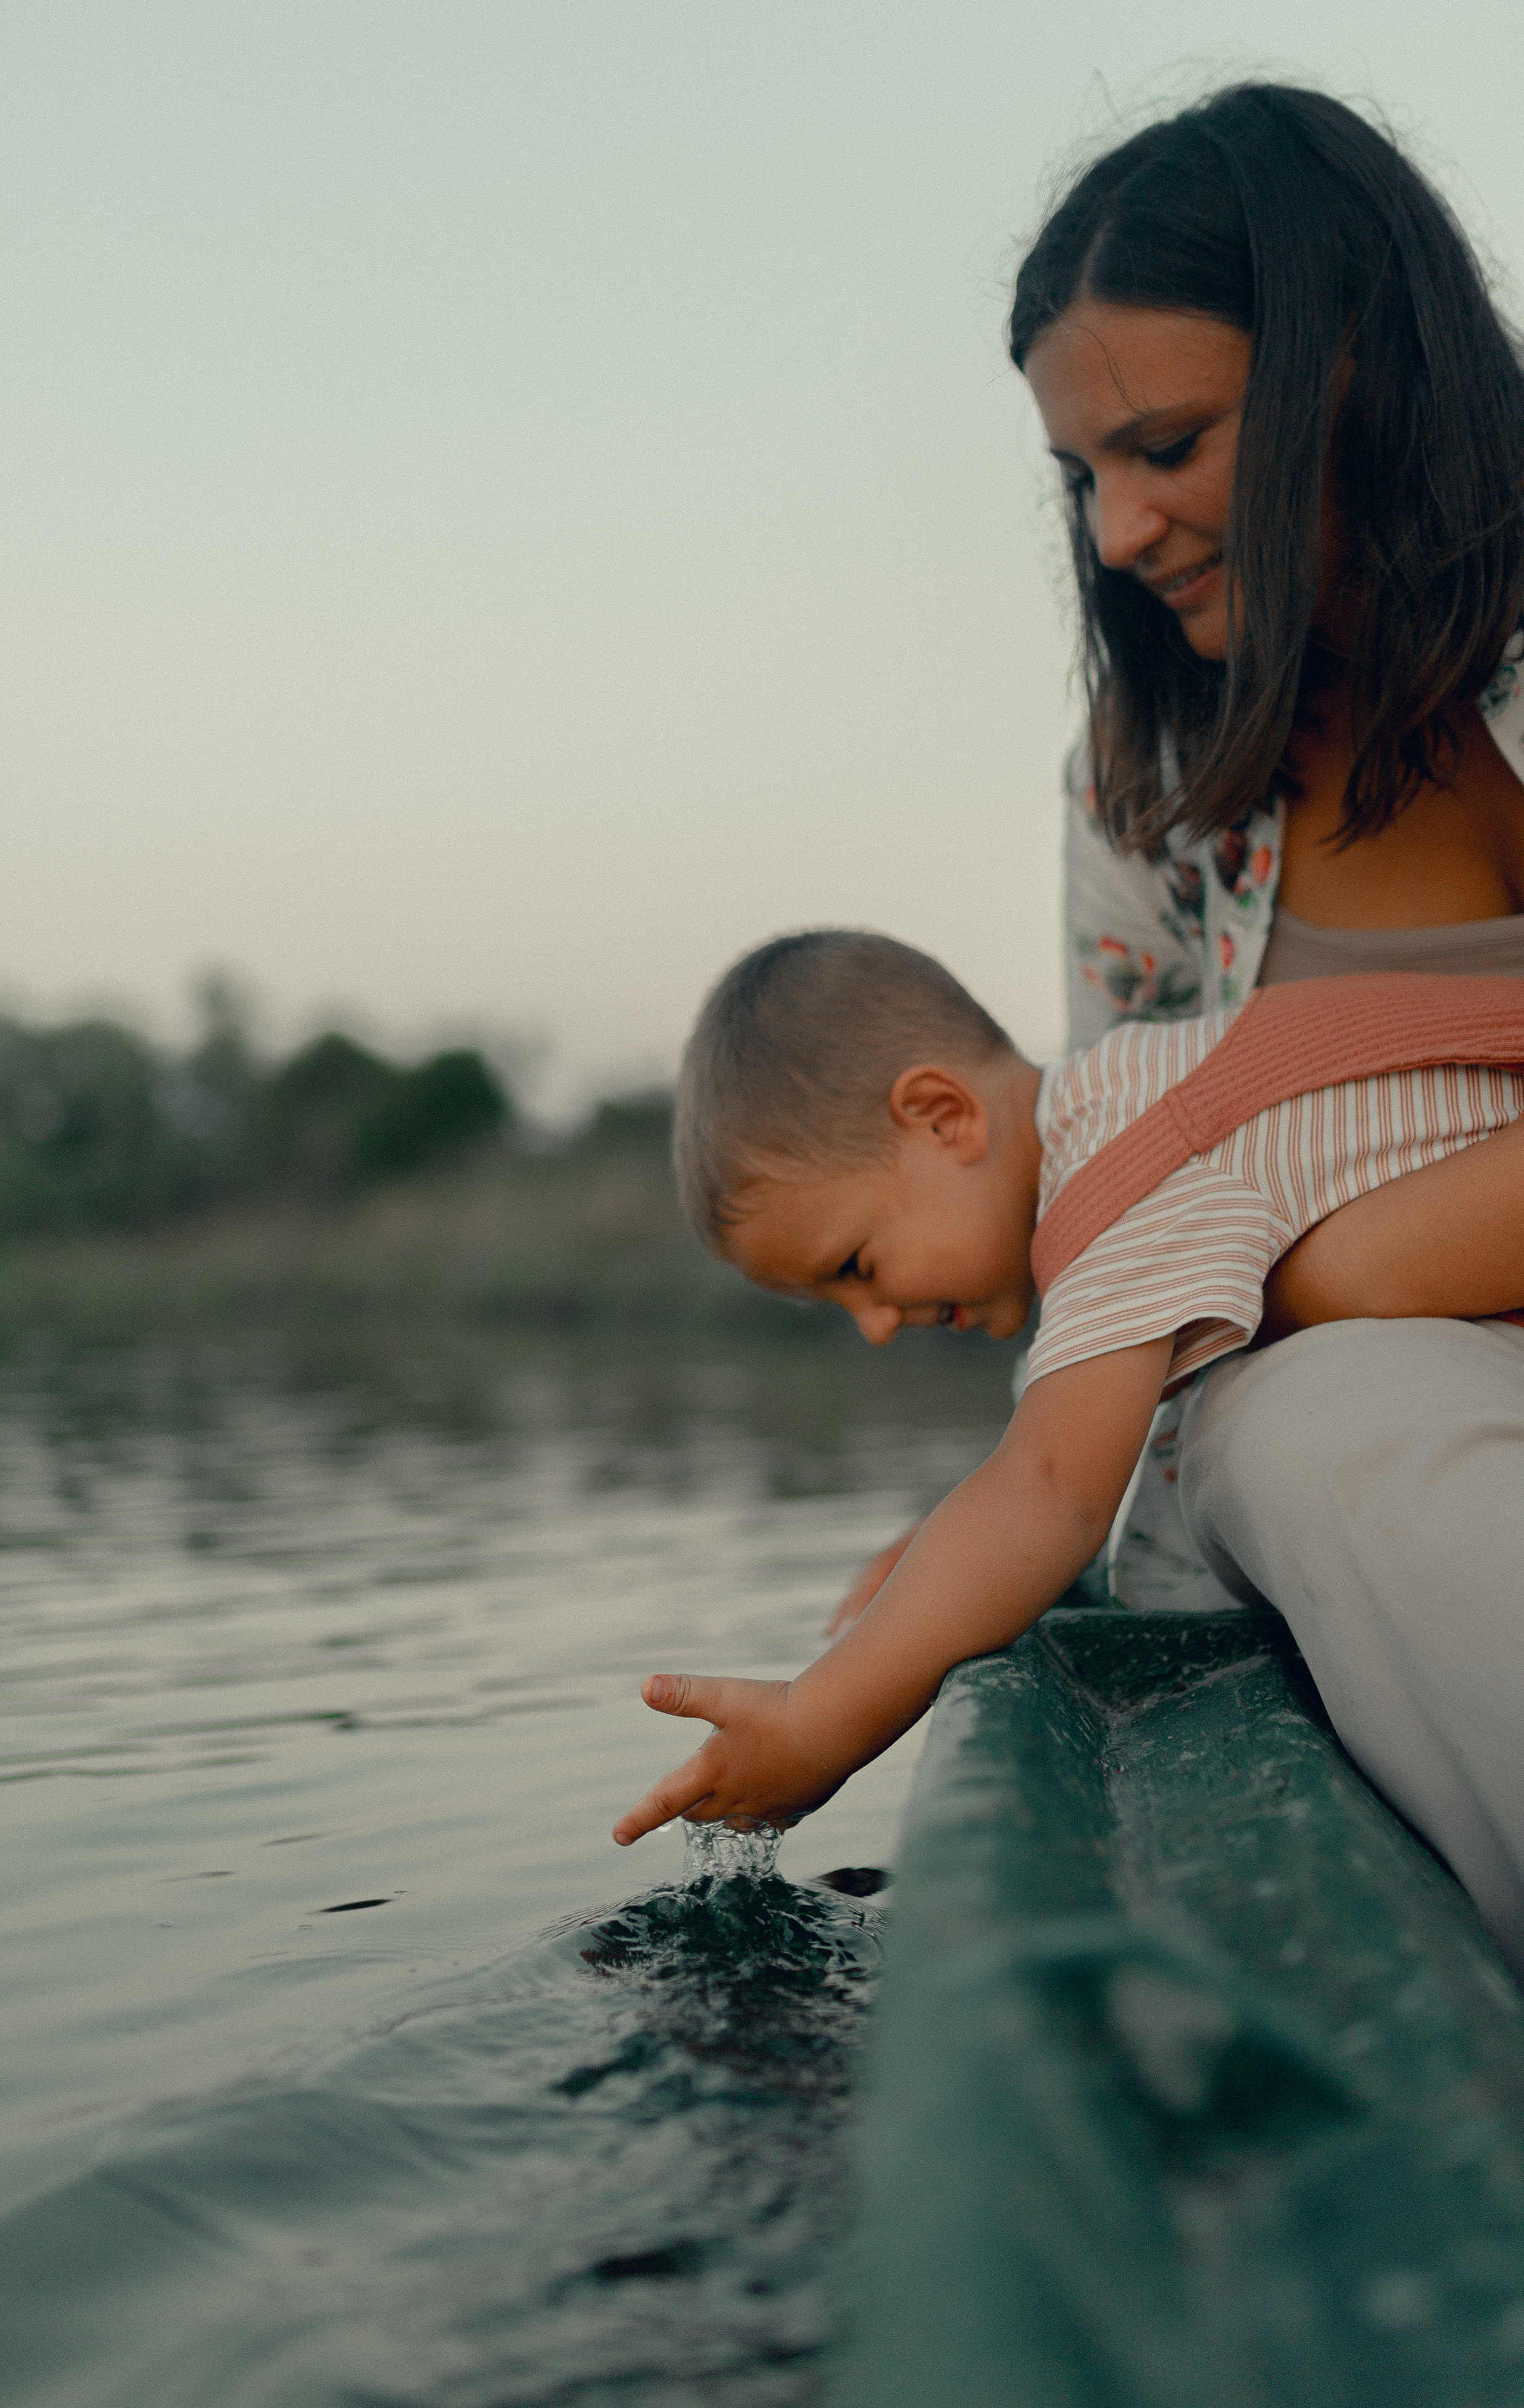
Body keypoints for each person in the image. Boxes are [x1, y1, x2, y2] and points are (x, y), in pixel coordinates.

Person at [817, 82, 1524, 1947]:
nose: (1118, 528)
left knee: (1321, 1403)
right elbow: (1120, 1217)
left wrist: (1335, 1265)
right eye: (1080, 477)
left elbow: (1195, 1240)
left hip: (1368, 1381)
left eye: (1167, 445)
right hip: (1377, 1439)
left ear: (1356, 368)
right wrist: (979, 1554)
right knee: (1304, 1437)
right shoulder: (1141, 780)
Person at [611, 927, 1524, 1965]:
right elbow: (1065, 1453)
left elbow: (1050, 1490)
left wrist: (821, 1720)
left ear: (942, 1116)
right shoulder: (1130, 1099)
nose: (872, 1323)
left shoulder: (1130, 1165)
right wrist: (933, 1555)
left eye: (858, 1266)